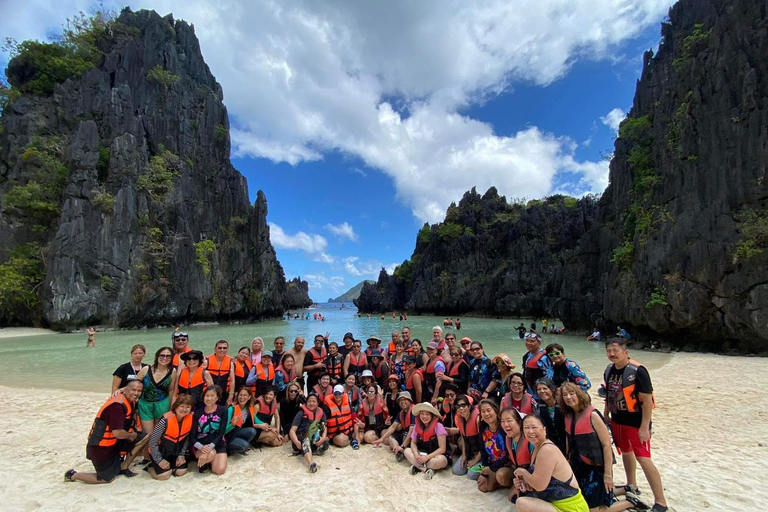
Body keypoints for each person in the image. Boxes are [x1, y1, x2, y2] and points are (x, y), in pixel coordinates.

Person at [604, 338, 667, 512]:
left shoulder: (638, 371)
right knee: (626, 452)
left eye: (615, 350)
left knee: (644, 458)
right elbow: (609, 392)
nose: (612, 354)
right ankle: (632, 485)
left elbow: (647, 402)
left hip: (636, 422)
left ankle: (661, 501)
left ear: (625, 352)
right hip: (617, 420)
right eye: (609, 351)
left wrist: (644, 427)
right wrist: (606, 414)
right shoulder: (609, 369)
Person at [561, 383, 642, 512]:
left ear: (579, 394)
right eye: (565, 395)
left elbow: (606, 445)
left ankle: (630, 502)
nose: (569, 397)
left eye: (572, 393)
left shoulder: (592, 415)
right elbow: (568, 440)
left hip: (596, 468)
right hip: (579, 465)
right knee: (584, 500)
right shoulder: (568, 415)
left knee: (593, 510)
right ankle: (625, 489)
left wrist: (608, 475)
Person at [64, 380, 149, 484]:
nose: (136, 393)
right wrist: (131, 435)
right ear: (125, 390)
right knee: (106, 479)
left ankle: (123, 467)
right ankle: (72, 475)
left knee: (144, 436)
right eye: (133, 390)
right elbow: (117, 433)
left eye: (139, 391)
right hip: (101, 448)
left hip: (115, 443)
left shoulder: (128, 400)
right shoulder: (116, 406)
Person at [513, 414, 589, 512]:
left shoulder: (547, 450)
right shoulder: (536, 449)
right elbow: (542, 483)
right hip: (554, 503)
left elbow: (539, 485)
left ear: (544, 430)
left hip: (570, 507)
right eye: (526, 428)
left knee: (522, 503)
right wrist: (525, 483)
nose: (530, 431)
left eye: (534, 427)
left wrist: (523, 472)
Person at [147, 394, 195, 480]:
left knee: (180, 472)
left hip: (175, 453)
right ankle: (150, 467)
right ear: (176, 407)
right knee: (164, 475)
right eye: (182, 406)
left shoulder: (191, 418)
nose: (184, 409)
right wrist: (159, 460)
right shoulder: (164, 421)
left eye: (188, 407)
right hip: (160, 452)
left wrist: (181, 455)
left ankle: (170, 465)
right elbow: (152, 442)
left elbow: (187, 439)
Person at [135, 346, 178, 437]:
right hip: (145, 405)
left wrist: (171, 409)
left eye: (168, 356)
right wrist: (121, 390)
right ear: (157, 356)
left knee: (158, 434)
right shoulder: (146, 369)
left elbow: (171, 391)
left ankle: (154, 451)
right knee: (147, 435)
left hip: (162, 404)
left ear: (171, 358)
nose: (164, 358)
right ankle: (145, 451)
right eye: (162, 355)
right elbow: (134, 386)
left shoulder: (172, 371)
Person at [403, 402, 449, 479]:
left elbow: (442, 449)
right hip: (422, 454)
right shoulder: (416, 427)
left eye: (427, 414)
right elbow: (413, 443)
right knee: (406, 451)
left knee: (440, 461)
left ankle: (418, 467)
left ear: (432, 415)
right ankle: (426, 469)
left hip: (435, 455)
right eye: (422, 414)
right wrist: (416, 454)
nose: (424, 416)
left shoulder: (439, 426)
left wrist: (427, 458)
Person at [477, 399, 513, 493]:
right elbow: (483, 449)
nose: (486, 414)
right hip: (493, 464)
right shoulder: (482, 427)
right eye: (483, 411)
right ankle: (495, 478)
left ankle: (512, 484)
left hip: (507, 464)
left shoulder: (503, 427)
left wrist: (491, 468)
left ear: (495, 410)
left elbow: (509, 455)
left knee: (501, 476)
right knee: (484, 488)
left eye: (489, 410)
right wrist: (485, 467)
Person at [190, 386, 228, 475]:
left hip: (217, 443)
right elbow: (192, 437)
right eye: (207, 396)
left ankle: (209, 460)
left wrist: (211, 447)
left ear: (217, 398)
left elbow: (221, 433)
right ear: (203, 397)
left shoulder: (223, 410)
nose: (209, 398)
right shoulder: (197, 413)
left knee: (219, 470)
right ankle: (208, 459)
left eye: (212, 396)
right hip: (201, 445)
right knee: (210, 453)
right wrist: (202, 448)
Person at [289, 393, 329, 473]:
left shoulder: (321, 413)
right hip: (300, 439)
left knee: (325, 444)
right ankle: (310, 463)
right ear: (306, 403)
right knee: (306, 441)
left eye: (314, 401)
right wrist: (296, 442)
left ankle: (308, 451)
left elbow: (324, 428)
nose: (311, 403)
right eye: (309, 401)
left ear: (318, 403)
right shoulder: (301, 413)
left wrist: (323, 438)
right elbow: (292, 431)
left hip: (313, 438)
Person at [500, 407, 533, 503]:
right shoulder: (509, 438)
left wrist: (518, 486)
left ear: (519, 422)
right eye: (502, 421)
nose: (505, 425)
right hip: (521, 473)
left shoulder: (530, 440)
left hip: (533, 475)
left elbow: (536, 468)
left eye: (509, 420)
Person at [374, 391, 414, 461]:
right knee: (391, 438)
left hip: (414, 438)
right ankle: (398, 452)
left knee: (406, 437)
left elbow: (412, 431)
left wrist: (402, 445)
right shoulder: (401, 413)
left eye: (405, 399)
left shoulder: (414, 411)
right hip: (406, 435)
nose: (402, 402)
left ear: (410, 401)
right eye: (401, 400)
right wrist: (381, 439)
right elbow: (393, 427)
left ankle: (402, 449)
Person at [453, 394, 482, 478]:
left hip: (481, 453)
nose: (461, 409)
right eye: (458, 406)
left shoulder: (477, 419)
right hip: (470, 452)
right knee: (457, 471)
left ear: (469, 406)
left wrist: (475, 460)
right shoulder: (459, 419)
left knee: (471, 475)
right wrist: (464, 456)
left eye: (463, 405)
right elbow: (463, 438)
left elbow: (484, 443)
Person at [535, 378, 567, 455]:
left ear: (552, 389)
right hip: (551, 444)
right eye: (539, 389)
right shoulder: (538, 407)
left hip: (567, 441)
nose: (542, 391)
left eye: (545, 388)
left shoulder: (563, 404)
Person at [225, 387, 259, 454]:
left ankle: (238, 443)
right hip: (228, 436)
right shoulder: (231, 409)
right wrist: (232, 425)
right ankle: (228, 449)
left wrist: (266, 426)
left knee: (252, 431)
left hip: (237, 432)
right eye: (240, 395)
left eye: (245, 395)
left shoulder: (248, 408)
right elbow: (223, 431)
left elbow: (256, 420)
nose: (242, 397)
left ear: (249, 397)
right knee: (245, 445)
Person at [522, 332, 554, 400]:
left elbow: (549, 376)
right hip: (529, 390)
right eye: (527, 340)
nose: (528, 343)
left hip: (540, 392)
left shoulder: (544, 358)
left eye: (532, 341)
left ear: (539, 343)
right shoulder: (527, 355)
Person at [206, 340, 235, 406]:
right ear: (215, 349)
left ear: (227, 349)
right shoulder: (206, 361)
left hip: (223, 394)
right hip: (208, 394)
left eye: (224, 348)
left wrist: (231, 396)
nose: (222, 350)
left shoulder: (230, 363)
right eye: (220, 348)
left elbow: (232, 380)